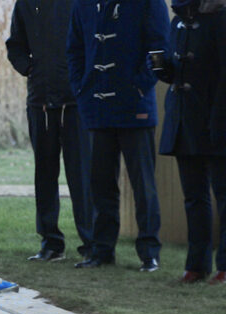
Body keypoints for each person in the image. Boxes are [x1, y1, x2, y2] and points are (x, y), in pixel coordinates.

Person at [66, 0, 170, 271]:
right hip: (97, 107)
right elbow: (74, 50)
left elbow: (160, 49)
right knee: (100, 185)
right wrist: (81, 89)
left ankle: (149, 253)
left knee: (143, 185)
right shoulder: (84, 5)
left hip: (135, 108)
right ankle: (102, 251)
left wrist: (139, 87)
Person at [6, 0, 94, 262]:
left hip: (75, 102)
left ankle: (91, 243)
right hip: (40, 102)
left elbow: (93, 41)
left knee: (81, 176)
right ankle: (50, 242)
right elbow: (15, 45)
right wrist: (29, 68)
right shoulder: (26, 4)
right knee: (45, 174)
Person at [151, 0, 226, 283]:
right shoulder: (178, 21)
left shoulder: (220, 20)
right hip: (185, 120)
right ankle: (196, 265)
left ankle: (225, 266)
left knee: (224, 195)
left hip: (216, 120)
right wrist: (164, 70)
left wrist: (219, 121)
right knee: (194, 197)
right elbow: (179, 71)